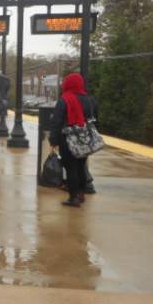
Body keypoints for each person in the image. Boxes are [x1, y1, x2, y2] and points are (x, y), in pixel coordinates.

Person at [49, 73, 99, 207]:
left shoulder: (64, 100)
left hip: (68, 139)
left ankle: (73, 198)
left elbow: (57, 122)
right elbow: (95, 122)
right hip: (85, 139)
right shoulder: (91, 101)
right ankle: (81, 194)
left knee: (70, 168)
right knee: (81, 167)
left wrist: (53, 141)